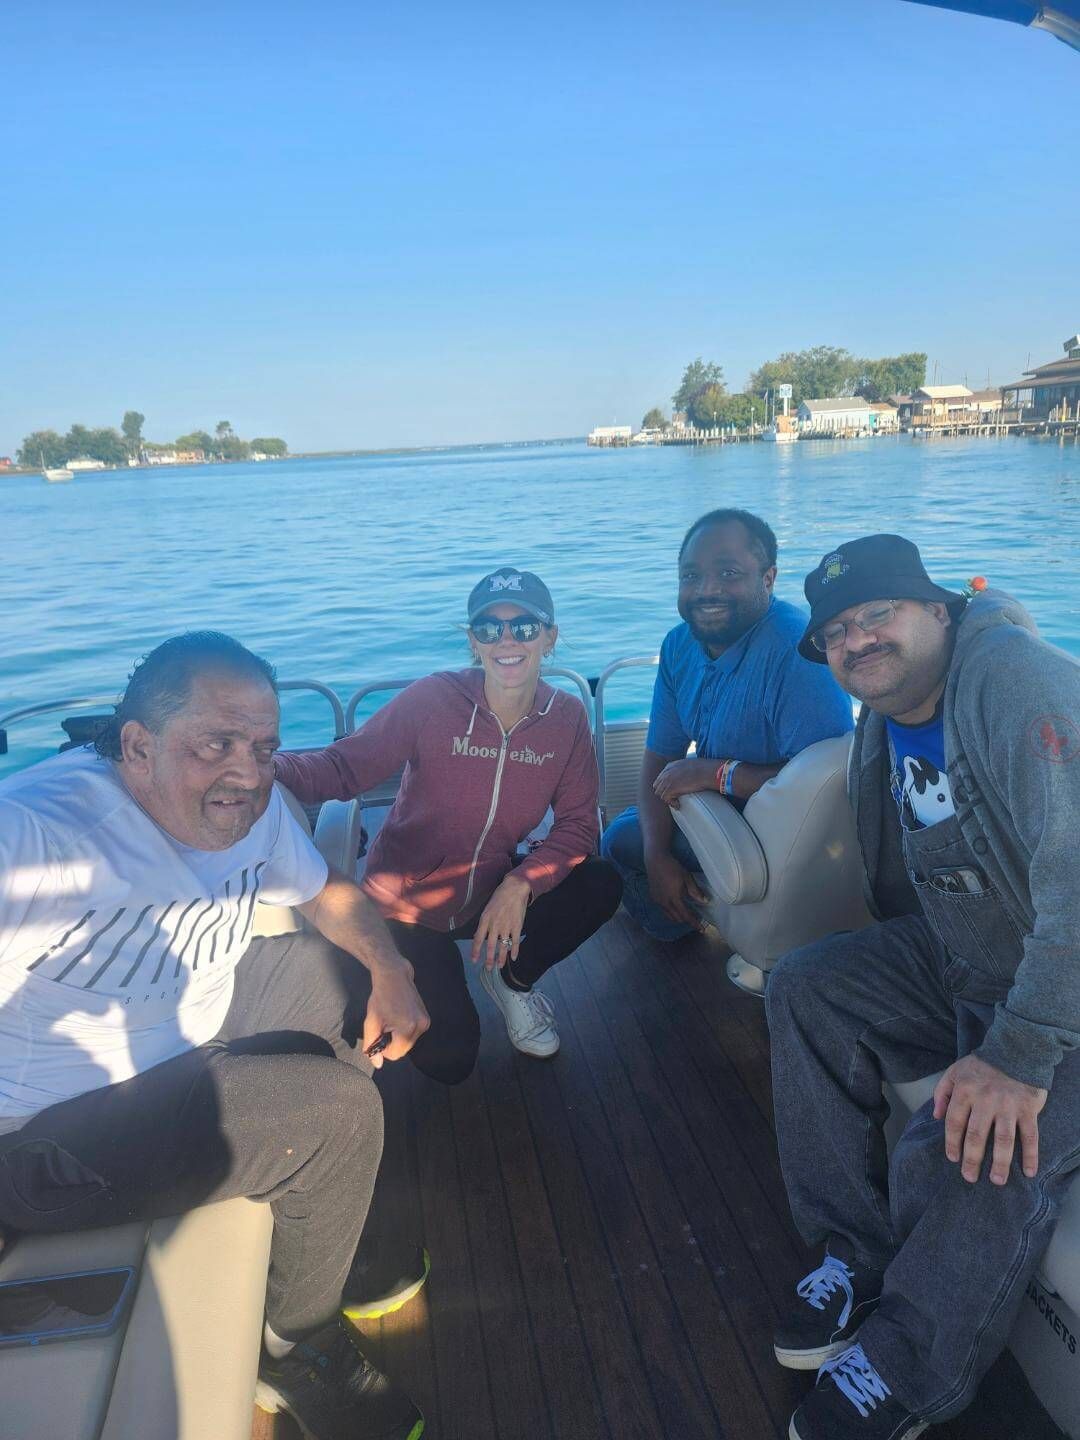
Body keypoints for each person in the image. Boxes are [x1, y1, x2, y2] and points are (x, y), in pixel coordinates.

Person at [0, 633, 431, 1440]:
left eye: (265, 748)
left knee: (342, 984)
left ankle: (318, 1225)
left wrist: (391, 970)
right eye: (217, 744)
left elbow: (325, 889)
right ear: (137, 745)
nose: (248, 771)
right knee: (333, 1113)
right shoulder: (33, 841)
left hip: (186, 1027)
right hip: (45, 1130)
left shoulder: (251, 807)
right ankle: (292, 1344)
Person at [767, 535, 1080, 1440]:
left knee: (979, 1141)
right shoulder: (891, 706)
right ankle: (854, 1249)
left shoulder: (1012, 685)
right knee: (806, 987)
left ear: (938, 610)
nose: (857, 640)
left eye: (878, 614)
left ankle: (908, 1370)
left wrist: (1015, 1058)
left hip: (1064, 991)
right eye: (835, 631)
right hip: (978, 962)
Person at [275, 567, 622, 1076]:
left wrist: (521, 884)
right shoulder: (434, 699)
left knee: (601, 881)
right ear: (473, 643)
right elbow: (344, 768)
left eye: (525, 627)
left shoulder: (567, 718)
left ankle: (511, 980)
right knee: (451, 1061)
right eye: (489, 629)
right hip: (406, 907)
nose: (507, 639)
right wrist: (260, 767)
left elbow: (576, 826)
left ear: (549, 638)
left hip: (488, 889)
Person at [600, 508, 855, 941]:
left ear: (769, 578)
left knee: (619, 837)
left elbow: (829, 789)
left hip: (787, 837)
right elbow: (660, 755)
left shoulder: (796, 654)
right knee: (634, 833)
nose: (706, 590)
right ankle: (690, 919)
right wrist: (658, 855)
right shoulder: (679, 645)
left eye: (728, 572)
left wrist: (716, 774)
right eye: (691, 576)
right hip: (720, 813)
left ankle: (719, 930)